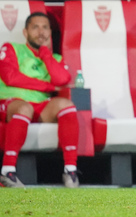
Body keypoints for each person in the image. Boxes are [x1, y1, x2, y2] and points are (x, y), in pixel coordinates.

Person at [0, 12, 79, 188]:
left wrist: (45, 54)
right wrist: (46, 87)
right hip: (11, 103)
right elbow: (10, 77)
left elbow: (62, 80)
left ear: (50, 33)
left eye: (45, 27)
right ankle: (7, 172)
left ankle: (70, 170)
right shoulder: (11, 48)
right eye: (35, 27)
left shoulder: (55, 58)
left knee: (67, 105)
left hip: (39, 107)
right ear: (25, 32)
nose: (40, 32)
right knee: (25, 108)